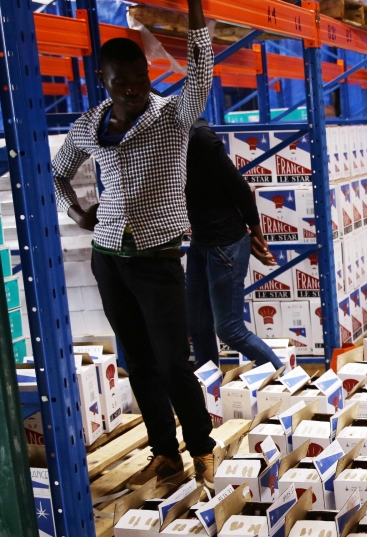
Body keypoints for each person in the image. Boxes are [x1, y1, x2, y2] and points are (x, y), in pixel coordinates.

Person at [52, 0, 217, 483]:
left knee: (173, 362)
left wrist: (194, 10)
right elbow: (60, 172)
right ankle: (164, 451)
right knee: (138, 360)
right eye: (120, 81)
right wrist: (78, 211)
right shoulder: (89, 125)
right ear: (102, 79)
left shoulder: (172, 116)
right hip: (109, 258)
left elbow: (201, 74)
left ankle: (201, 447)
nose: (133, 90)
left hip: (157, 257)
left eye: (140, 79)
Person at [184, 118, 284, 369]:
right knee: (196, 324)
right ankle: (209, 397)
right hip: (200, 240)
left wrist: (256, 234)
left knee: (229, 329)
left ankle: (287, 383)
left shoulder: (199, 136)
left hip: (224, 242)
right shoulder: (158, 140)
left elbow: (238, 186)